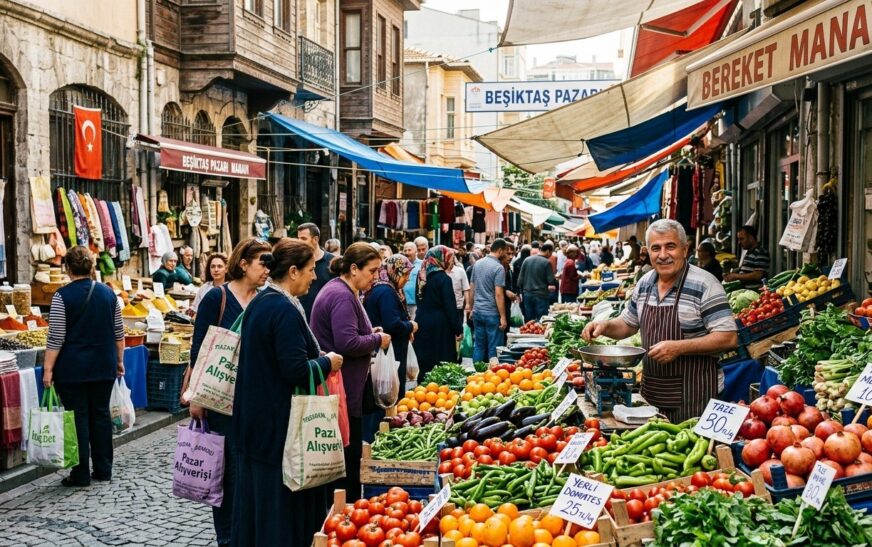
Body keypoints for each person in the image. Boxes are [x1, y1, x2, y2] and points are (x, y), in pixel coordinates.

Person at [232, 239, 344, 546]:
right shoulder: (281, 309)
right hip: (276, 426)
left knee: (259, 504)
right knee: (275, 509)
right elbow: (294, 369)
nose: (315, 276)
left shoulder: (262, 301)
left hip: (256, 421)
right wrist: (327, 362)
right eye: (310, 270)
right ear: (293, 271)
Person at [582, 219, 737, 422]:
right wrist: (605, 326)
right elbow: (627, 325)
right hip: (652, 396)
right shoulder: (645, 283)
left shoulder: (705, 284)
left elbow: (729, 338)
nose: (663, 255)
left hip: (697, 396)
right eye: (656, 248)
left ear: (685, 249)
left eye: (670, 246)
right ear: (648, 252)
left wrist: (679, 348)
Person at [185, 237, 271, 546]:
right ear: (244, 263)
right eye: (263, 262)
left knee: (247, 469)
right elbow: (199, 348)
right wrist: (196, 396)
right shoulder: (216, 298)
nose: (267, 270)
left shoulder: (264, 299)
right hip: (219, 398)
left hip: (254, 399)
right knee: (225, 473)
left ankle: (244, 532)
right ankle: (227, 537)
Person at [310, 243, 391, 500]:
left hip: (344, 390)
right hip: (340, 390)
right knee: (346, 460)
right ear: (354, 269)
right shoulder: (342, 295)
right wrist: (377, 340)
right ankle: (344, 510)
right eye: (372, 270)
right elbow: (347, 343)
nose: (376, 277)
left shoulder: (345, 291)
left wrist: (370, 333)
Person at [43, 246, 124, 487]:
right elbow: (119, 332)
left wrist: (48, 369)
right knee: (100, 416)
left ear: (67, 269)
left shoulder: (61, 296)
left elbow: (55, 337)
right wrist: (120, 361)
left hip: (73, 368)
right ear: (91, 267)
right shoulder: (108, 294)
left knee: (78, 417)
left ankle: (79, 474)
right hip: (103, 364)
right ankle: (103, 469)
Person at [364, 254, 417, 392]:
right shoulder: (386, 292)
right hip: (390, 352)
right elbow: (392, 324)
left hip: (388, 350)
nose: (408, 279)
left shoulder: (383, 288)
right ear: (394, 272)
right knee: (391, 392)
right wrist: (411, 326)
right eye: (405, 275)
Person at [413, 246, 464, 377]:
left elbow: (418, 299)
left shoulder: (422, 276)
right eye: (449, 258)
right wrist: (458, 329)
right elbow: (450, 307)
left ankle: (423, 389)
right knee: (442, 362)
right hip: (441, 325)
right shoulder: (443, 279)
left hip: (422, 321)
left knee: (425, 360)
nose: (451, 262)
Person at [469, 238, 508, 362]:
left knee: (479, 345)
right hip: (492, 313)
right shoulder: (498, 268)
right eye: (506, 252)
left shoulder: (477, 264)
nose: (506, 255)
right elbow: (498, 294)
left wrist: (471, 308)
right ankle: (492, 376)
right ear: (500, 251)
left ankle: (477, 375)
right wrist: (503, 316)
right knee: (494, 348)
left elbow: (472, 289)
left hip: (478, 311)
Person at [296, 223, 337, 319]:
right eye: (298, 238)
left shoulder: (332, 261)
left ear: (315, 239)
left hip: (324, 320)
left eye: (303, 238)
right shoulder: (297, 262)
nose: (299, 242)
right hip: (301, 317)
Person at [518, 241, 557, 322]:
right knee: (541, 320)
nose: (551, 255)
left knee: (529, 320)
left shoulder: (527, 260)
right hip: (541, 295)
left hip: (527, 294)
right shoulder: (546, 262)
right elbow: (551, 281)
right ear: (548, 251)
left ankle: (528, 334)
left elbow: (520, 280)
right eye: (551, 253)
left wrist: (519, 293)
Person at [724, 225, 770, 290]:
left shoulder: (760, 253)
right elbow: (748, 269)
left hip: (755, 292)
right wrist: (734, 272)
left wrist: (736, 276)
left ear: (751, 238)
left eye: (742, 239)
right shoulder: (749, 252)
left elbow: (757, 275)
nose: (739, 243)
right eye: (738, 239)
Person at [401, 242, 423, 320]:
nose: (407, 253)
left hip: (416, 303)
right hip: (403, 303)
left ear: (415, 251)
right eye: (405, 250)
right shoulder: (400, 264)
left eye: (409, 250)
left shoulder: (422, 265)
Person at [448, 256, 471, 326]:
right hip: (445, 306)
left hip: (458, 305)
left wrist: (467, 303)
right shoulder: (442, 271)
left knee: (459, 327)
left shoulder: (460, 271)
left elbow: (466, 288)